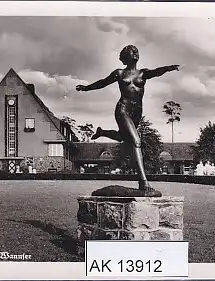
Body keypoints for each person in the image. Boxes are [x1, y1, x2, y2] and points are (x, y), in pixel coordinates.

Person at [76, 45, 179, 194]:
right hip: (123, 109)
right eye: (132, 50)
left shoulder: (143, 73)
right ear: (125, 56)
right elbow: (102, 82)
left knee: (123, 137)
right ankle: (143, 182)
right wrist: (86, 88)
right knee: (136, 141)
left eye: (137, 50)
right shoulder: (119, 73)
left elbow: (156, 72)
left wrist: (169, 68)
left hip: (136, 112)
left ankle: (102, 132)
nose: (135, 52)